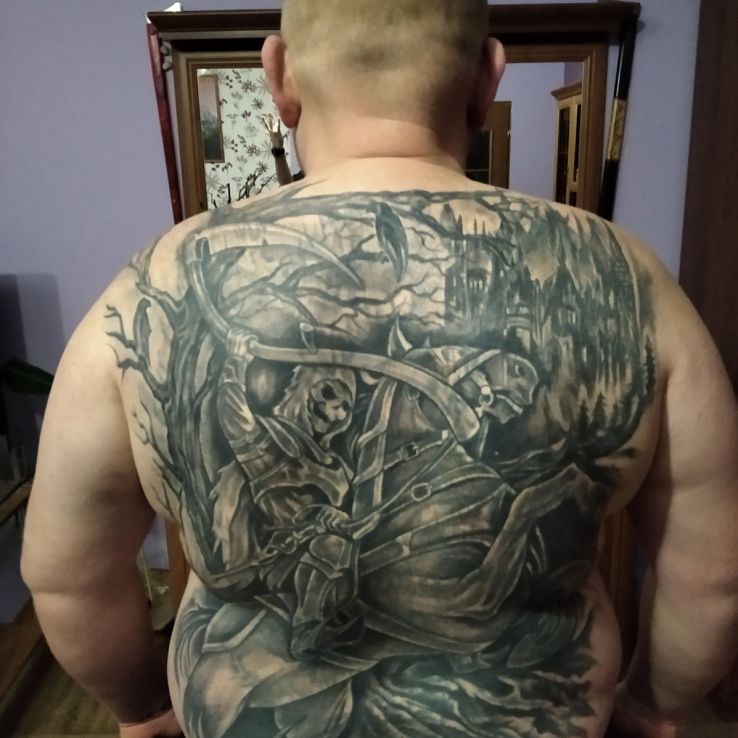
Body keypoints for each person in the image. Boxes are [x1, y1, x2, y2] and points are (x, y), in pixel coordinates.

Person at [21, 2, 738, 737]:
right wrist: (652, 710)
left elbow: (69, 579)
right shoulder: (626, 281)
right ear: (487, 77)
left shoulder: (149, 288)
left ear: (279, 75)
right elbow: (712, 579)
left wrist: (145, 712)